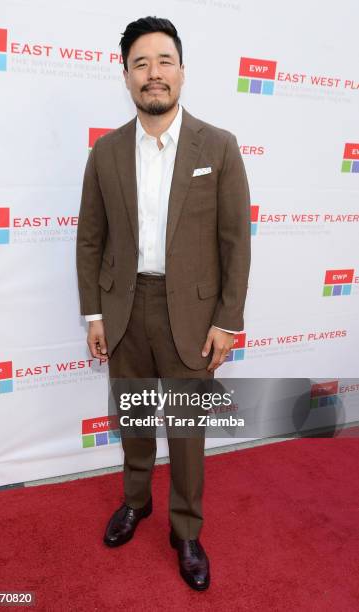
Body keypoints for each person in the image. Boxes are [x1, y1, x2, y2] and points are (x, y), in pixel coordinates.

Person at [76, 16, 251, 591]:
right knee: (132, 418)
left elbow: (234, 242)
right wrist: (94, 314)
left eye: (164, 62)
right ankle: (135, 501)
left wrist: (228, 321)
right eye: (141, 64)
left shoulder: (218, 147)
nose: (154, 74)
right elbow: (91, 239)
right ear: (125, 76)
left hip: (192, 316)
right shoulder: (104, 153)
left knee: (186, 429)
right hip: (124, 310)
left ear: (181, 70)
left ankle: (187, 530)